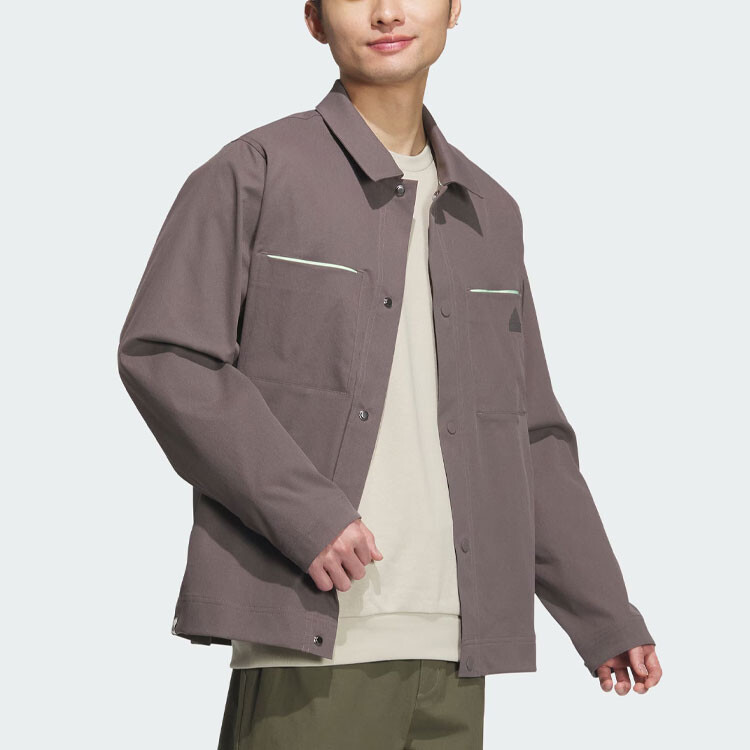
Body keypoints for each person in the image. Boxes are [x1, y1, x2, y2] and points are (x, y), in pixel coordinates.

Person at [117, 1, 662, 747]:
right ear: (313, 18)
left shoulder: (489, 214)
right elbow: (168, 356)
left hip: (456, 645)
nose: (385, 12)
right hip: (313, 638)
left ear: (453, 8)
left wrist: (602, 612)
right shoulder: (255, 171)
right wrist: (306, 513)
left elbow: (528, 431)